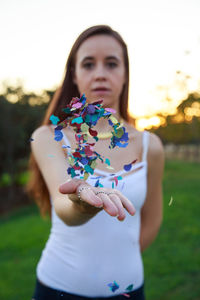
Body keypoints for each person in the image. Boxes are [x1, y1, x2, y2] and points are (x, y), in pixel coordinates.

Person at [29, 25, 164, 300]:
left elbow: (151, 220)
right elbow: (63, 206)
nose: (100, 73)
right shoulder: (47, 138)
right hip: (58, 289)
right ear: (75, 75)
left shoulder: (151, 145)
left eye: (112, 63)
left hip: (129, 290)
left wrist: (118, 260)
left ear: (125, 74)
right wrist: (82, 201)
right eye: (88, 64)